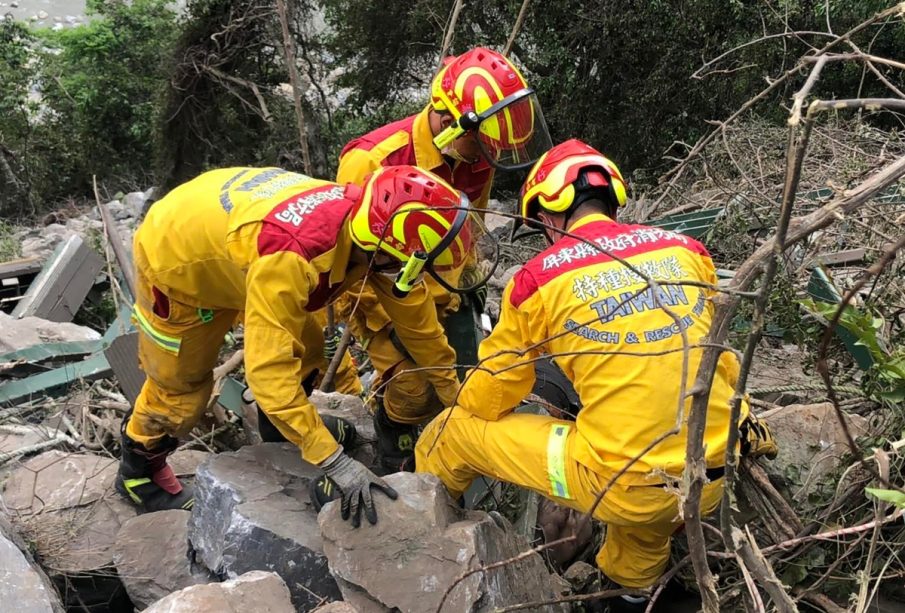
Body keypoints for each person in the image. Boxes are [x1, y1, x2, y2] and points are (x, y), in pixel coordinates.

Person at [415, 139, 777, 610]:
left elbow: (490, 394)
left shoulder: (540, 278)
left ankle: (418, 527)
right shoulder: (686, 249)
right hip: (709, 475)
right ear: (611, 198)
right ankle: (629, 592)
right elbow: (719, 359)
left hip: (619, 484)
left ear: (547, 216)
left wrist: (464, 394)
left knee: (456, 430)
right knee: (643, 534)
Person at [118, 164, 480, 527]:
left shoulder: (374, 230)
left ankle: (281, 435)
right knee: (180, 390)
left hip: (236, 241)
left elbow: (419, 328)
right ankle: (139, 476)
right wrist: (335, 462)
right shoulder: (295, 257)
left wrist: (454, 395)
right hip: (178, 260)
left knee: (306, 346)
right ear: (381, 251)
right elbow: (268, 377)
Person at [333, 46, 552, 471]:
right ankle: (393, 435)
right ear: (450, 124)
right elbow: (354, 262)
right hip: (383, 289)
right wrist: (390, 331)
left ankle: (452, 456)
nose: (487, 155)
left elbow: (471, 233)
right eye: (481, 144)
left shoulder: (476, 156)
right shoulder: (373, 161)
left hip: (447, 286)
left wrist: (465, 292)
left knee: (464, 377)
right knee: (413, 387)